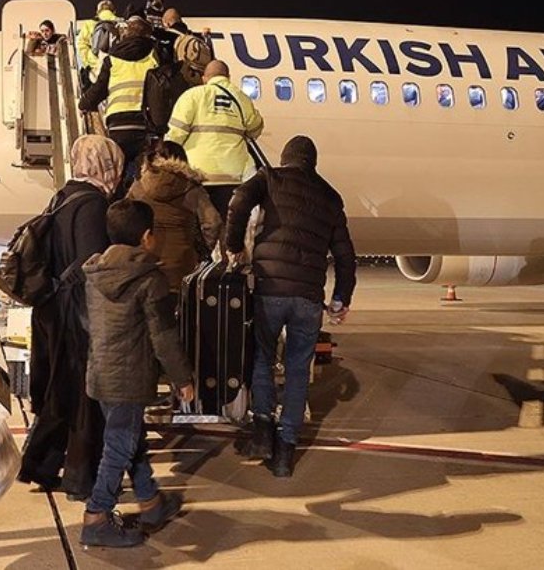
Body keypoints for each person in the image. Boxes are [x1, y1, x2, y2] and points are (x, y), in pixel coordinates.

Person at [225, 136, 357, 478]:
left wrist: (233, 244)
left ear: (285, 158)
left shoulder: (271, 178)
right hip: (308, 298)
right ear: (313, 162)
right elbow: (346, 256)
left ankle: (262, 433)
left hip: (270, 289)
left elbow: (238, 201)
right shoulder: (330, 197)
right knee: (298, 370)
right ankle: (285, 451)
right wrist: (341, 298)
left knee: (262, 359)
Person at [78, 199, 196, 547]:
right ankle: (96, 516)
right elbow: (163, 335)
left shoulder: (94, 274)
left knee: (131, 439)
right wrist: (182, 377)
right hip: (129, 378)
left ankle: (151, 503)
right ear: (147, 237)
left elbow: (88, 322)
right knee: (119, 446)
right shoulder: (149, 279)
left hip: (100, 373)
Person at [19, 135, 125, 501]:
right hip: (77, 312)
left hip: (50, 307)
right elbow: (92, 263)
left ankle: (42, 466)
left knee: (58, 392)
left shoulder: (62, 197)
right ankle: (82, 479)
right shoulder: (93, 204)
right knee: (84, 398)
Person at [166, 60, 265, 218]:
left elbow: (175, 136)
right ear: (228, 77)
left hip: (198, 175)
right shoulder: (241, 98)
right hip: (232, 176)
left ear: (204, 78)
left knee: (201, 224)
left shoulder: (192, 96)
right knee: (227, 224)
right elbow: (255, 129)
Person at [127, 141, 222, 292]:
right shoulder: (191, 188)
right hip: (183, 264)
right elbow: (213, 222)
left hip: (146, 263)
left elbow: (126, 219)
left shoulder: (138, 187)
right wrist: (204, 248)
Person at [78, 18, 160, 191]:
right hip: (144, 123)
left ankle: (119, 201)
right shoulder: (153, 56)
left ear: (126, 35)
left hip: (117, 124)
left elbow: (99, 89)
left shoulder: (112, 59)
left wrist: (84, 103)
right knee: (143, 173)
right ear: (147, 36)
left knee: (117, 171)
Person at [75, 0, 120, 85]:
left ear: (97, 12)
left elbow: (81, 45)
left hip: (96, 71)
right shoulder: (120, 23)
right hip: (117, 69)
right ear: (114, 11)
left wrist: (92, 63)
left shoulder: (89, 24)